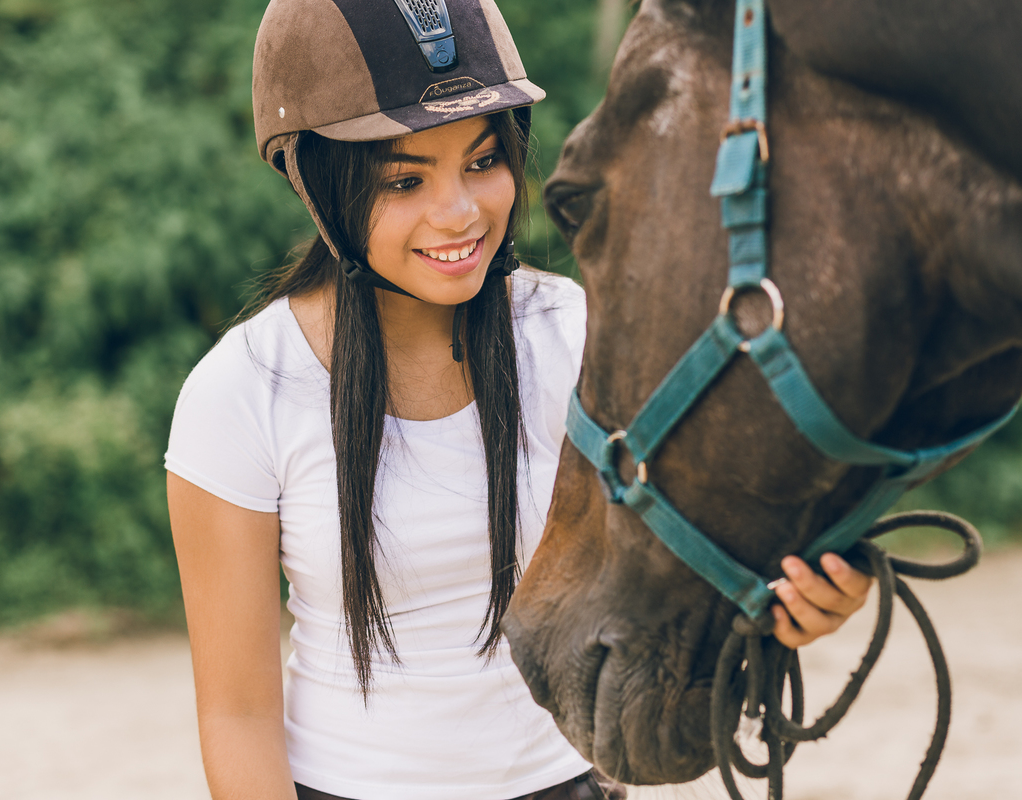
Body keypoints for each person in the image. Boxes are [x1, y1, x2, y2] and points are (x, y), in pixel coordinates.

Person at [164, 1, 873, 798]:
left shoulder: (573, 330)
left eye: (481, 161)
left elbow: (676, 577)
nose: (460, 213)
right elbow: (237, 715)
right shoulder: (240, 393)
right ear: (317, 183)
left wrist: (794, 608)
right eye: (404, 178)